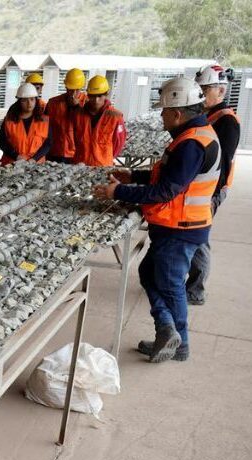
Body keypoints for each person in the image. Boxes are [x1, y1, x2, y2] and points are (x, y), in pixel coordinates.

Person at [93, 77, 220, 363]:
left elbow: (166, 191)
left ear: (177, 113)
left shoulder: (192, 144)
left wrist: (118, 191)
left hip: (181, 227)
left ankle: (180, 343)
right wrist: (133, 176)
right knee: (150, 273)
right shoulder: (192, 136)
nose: (160, 116)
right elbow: (171, 177)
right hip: (178, 226)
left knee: (171, 285)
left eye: (163, 111)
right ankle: (167, 331)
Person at [186, 65, 241, 305]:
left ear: (220, 90)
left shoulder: (226, 121)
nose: (200, 92)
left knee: (199, 239)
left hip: (210, 190)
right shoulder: (210, 116)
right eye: (199, 88)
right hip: (203, 187)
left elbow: (223, 161)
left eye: (205, 88)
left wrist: (212, 194)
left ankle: (196, 290)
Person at [73, 75, 126, 166]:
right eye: (93, 96)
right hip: (80, 165)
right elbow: (73, 139)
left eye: (100, 96)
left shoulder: (115, 116)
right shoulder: (78, 114)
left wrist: (106, 158)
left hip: (102, 167)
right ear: (88, 95)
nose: (96, 100)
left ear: (106, 94)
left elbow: (118, 143)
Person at [0, 83, 51, 166]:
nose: (29, 103)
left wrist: (35, 159)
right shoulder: (9, 120)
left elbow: (48, 144)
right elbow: (2, 142)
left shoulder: (44, 120)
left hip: (37, 166)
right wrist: (16, 156)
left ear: (36, 100)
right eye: (25, 100)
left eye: (32, 99)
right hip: (13, 164)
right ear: (19, 101)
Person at [45, 68, 87, 163]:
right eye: (71, 89)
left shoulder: (87, 103)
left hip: (77, 154)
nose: (74, 93)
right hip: (54, 153)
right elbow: (44, 129)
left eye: (77, 90)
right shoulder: (53, 103)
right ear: (66, 86)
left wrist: (77, 107)